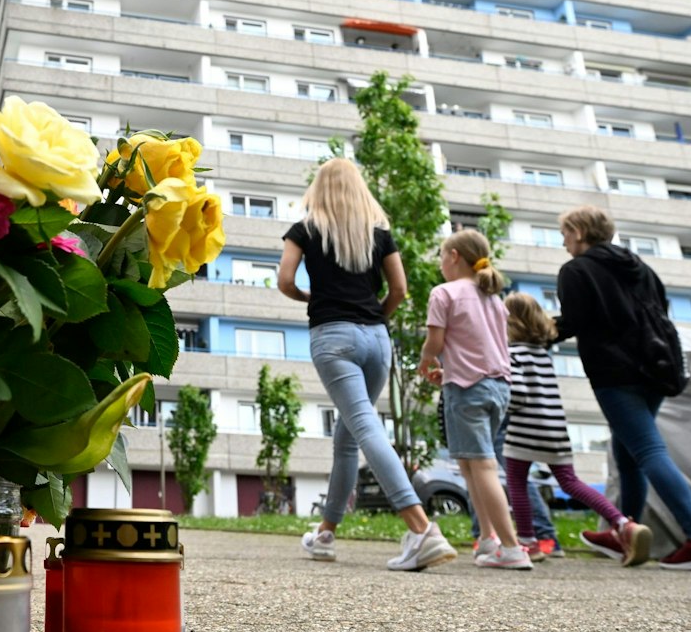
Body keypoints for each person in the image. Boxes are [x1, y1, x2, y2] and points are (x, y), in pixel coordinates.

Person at [279, 159, 457, 572]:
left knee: (364, 426)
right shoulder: (378, 233)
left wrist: (313, 299)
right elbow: (399, 289)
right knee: (348, 436)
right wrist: (376, 315)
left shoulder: (305, 229)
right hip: (377, 339)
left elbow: (286, 280)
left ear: (318, 189)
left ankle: (421, 528)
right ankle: (325, 533)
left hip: (334, 336)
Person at [553, 205, 691, 570]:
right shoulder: (641, 268)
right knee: (629, 453)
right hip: (657, 369)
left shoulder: (576, 270)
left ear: (581, 232)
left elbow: (573, 322)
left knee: (648, 450)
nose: (563, 240)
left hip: (615, 374)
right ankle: (626, 531)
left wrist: (529, 331)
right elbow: (660, 312)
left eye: (566, 232)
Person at [502, 293, 651, 564]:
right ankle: (622, 524)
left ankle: (527, 542)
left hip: (523, 430)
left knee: (517, 483)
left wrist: (502, 402)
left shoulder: (512, 353)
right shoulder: (542, 353)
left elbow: (519, 394)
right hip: (554, 428)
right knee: (570, 482)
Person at [419, 229, 527, 570]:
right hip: (497, 387)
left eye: (441, 256)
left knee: (481, 466)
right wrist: (447, 368)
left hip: (467, 389)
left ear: (453, 257)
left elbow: (435, 342)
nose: (440, 263)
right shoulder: (493, 299)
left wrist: (426, 363)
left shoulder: (444, 293)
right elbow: (478, 343)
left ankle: (511, 548)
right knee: (470, 465)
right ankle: (487, 541)